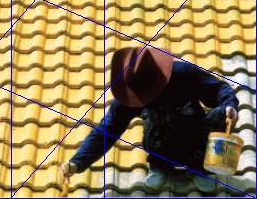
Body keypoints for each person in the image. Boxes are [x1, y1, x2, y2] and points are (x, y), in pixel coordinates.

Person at [60, 47, 238, 193]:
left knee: (221, 114)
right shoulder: (131, 92)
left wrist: (230, 105)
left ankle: (199, 167)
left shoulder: (184, 74)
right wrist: (77, 162)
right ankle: (160, 165)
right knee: (157, 113)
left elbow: (220, 88)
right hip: (163, 146)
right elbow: (107, 129)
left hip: (196, 139)